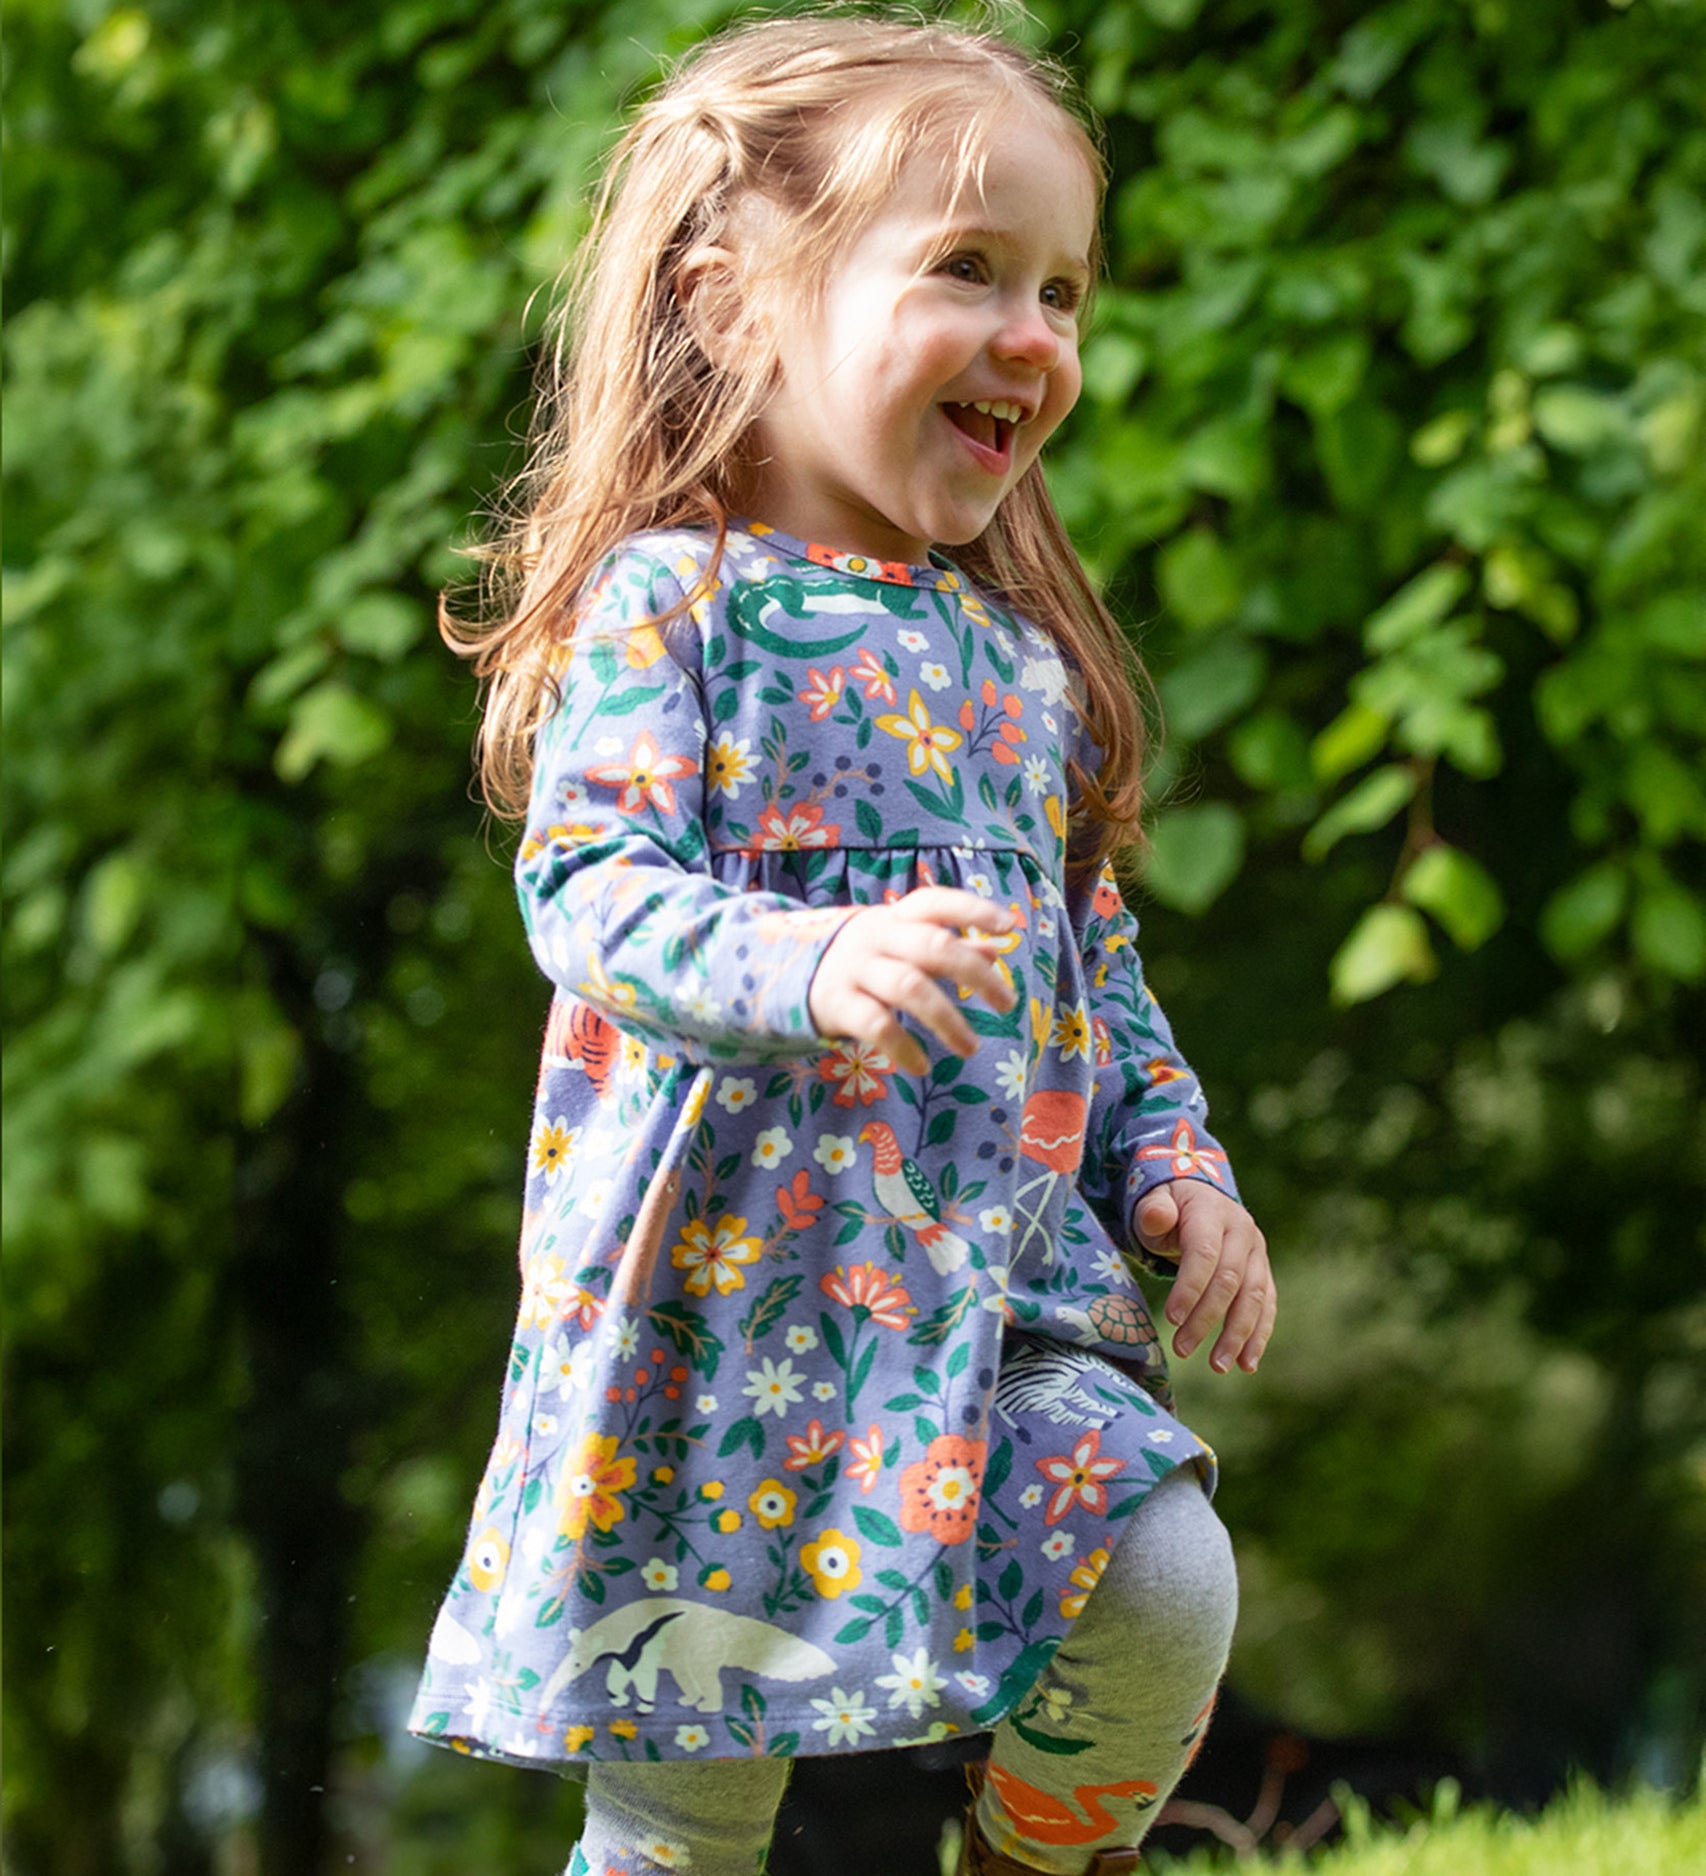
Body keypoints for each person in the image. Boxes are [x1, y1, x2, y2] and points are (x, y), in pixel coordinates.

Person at [408, 13, 1276, 1875]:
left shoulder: (1020, 673)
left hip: (990, 1307)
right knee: (686, 1820)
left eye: (1061, 287)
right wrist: (804, 968)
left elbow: (1094, 970)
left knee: (1165, 1575)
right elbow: (586, 889)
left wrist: (1181, 1169)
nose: (1033, 332)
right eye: (968, 267)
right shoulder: (671, 609)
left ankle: (1038, 1855)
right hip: (721, 1329)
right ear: (734, 305)